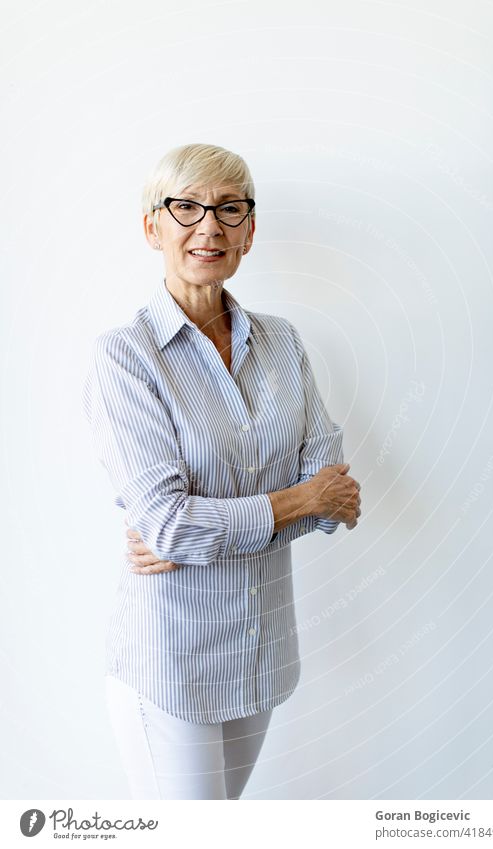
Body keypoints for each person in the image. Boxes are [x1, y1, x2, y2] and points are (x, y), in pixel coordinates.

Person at [82, 143, 361, 800]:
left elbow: (335, 500)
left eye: (229, 209)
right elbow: (171, 523)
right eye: (186, 207)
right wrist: (293, 500)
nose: (209, 226)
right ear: (152, 226)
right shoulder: (124, 357)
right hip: (170, 668)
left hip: (259, 663)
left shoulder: (283, 342)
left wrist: (200, 528)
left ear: (249, 230)